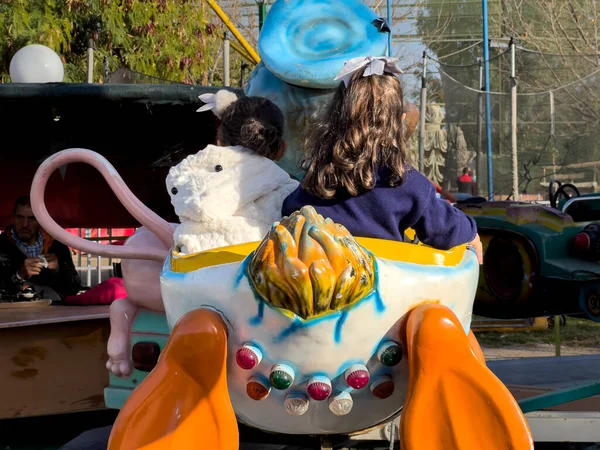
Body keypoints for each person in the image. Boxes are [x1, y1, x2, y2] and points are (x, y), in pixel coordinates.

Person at [282, 56, 483, 262]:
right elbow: (445, 229)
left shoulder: (318, 176)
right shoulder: (404, 181)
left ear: (336, 117)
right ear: (400, 121)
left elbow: (288, 211)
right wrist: (470, 231)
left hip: (322, 282)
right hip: (385, 287)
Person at [0, 195, 81, 301]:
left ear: (40, 220)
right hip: (12, 314)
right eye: (20, 217)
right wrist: (19, 276)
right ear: (13, 217)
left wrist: (57, 270)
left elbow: (74, 287)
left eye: (31, 218)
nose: (25, 224)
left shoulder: (57, 245)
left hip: (52, 313)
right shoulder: (2, 245)